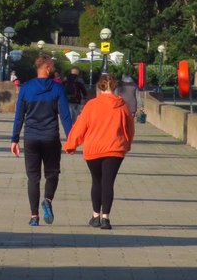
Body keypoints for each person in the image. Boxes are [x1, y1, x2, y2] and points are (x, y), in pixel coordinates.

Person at [63, 73, 135, 230]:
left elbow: (80, 127)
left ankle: (95, 216)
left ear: (99, 87)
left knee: (97, 181)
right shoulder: (123, 106)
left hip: (93, 149)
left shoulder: (91, 105)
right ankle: (106, 218)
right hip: (115, 149)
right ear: (115, 87)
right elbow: (129, 128)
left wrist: (71, 145)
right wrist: (127, 144)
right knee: (108, 183)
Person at [10, 55, 73, 226]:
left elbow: (19, 116)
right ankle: (47, 199)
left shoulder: (26, 88)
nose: (53, 68)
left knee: (33, 177)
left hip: (31, 138)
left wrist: (14, 139)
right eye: (51, 65)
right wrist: (71, 139)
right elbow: (65, 116)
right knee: (52, 173)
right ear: (45, 67)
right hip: (50, 137)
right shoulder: (57, 89)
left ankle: (34, 216)